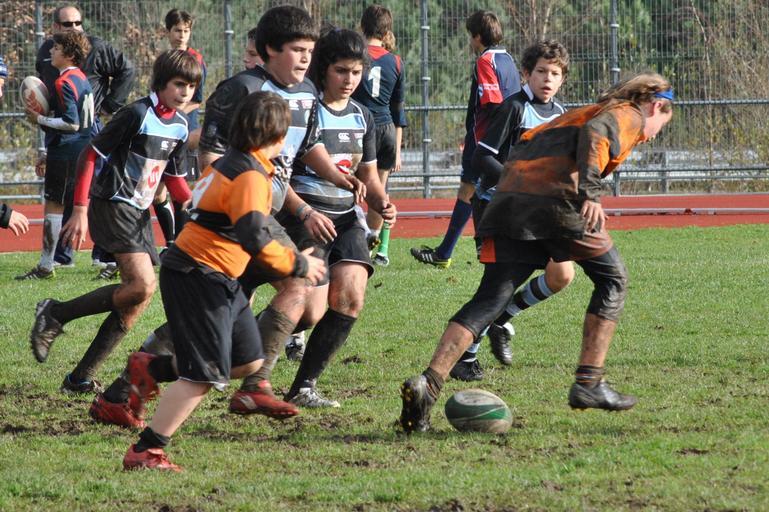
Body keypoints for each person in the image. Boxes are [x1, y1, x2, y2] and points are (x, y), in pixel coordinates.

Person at [399, 73, 675, 433]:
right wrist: (590, 193)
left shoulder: (583, 111)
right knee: (613, 279)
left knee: (491, 297)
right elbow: (597, 134)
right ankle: (589, 382)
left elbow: (528, 143)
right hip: (554, 200)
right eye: (661, 126)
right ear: (656, 106)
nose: (651, 135)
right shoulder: (629, 113)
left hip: (510, 198)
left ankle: (429, 384)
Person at [121, 91, 326, 472]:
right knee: (204, 375)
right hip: (198, 275)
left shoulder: (234, 164)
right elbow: (254, 237)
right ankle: (146, 451)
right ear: (279, 136)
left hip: (217, 275)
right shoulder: (249, 175)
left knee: (247, 360)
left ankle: (152, 369)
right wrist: (298, 263)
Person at [28, 50, 201, 394]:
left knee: (135, 301)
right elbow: (90, 155)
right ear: (160, 83)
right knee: (142, 285)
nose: (185, 92)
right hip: (112, 203)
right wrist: (79, 209)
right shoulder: (136, 114)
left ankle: (79, 378)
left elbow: (175, 179)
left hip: (138, 214)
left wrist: (199, 210)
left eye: (192, 87)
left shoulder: (181, 126)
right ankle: (56, 313)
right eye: (179, 84)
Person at [281, 28, 396, 407]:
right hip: (304, 217)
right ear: (324, 70)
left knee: (350, 298)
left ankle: (303, 387)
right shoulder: (304, 111)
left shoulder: (363, 117)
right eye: (341, 71)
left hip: (345, 219)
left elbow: (369, 176)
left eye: (356, 72)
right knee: (309, 312)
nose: (349, 80)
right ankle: (246, 347)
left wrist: (382, 202)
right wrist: (303, 210)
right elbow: (280, 173)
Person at [450, 40, 570, 381]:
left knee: (561, 273)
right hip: (498, 208)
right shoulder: (514, 108)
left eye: (555, 73)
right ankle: (464, 357)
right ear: (526, 74)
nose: (547, 79)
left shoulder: (560, 114)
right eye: (541, 72)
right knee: (497, 287)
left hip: (535, 209)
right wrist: (519, 182)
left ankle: (502, 320)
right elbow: (483, 157)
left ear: (562, 79)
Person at [410, 10, 519, 269]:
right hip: (505, 140)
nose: (470, 42)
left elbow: (493, 102)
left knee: (470, 191)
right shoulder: (508, 59)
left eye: (471, 36)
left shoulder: (485, 61)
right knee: (483, 191)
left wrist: (482, 140)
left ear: (478, 36)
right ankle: (469, 249)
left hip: (485, 142)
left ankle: (454, 252)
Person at [36, 4, 136, 271]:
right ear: (55, 27)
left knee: (92, 190)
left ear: (70, 55)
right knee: (68, 193)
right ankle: (63, 255)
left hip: (83, 131)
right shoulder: (49, 55)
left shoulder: (93, 53)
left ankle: (102, 252)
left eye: (78, 23)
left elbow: (128, 71)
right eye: (68, 24)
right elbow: (45, 91)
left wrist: (109, 105)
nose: (75, 28)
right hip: (61, 132)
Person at [16, 31, 94, 281]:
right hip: (82, 148)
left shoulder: (63, 82)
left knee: (54, 205)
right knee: (79, 204)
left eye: (56, 47)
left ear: (69, 54)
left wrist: (39, 118)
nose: (50, 51)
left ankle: (46, 265)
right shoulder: (81, 78)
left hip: (67, 149)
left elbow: (71, 123)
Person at [351, 4, 407, 266]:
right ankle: (374, 246)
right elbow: (399, 109)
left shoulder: (354, 56)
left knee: (348, 187)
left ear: (362, 27)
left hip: (358, 127)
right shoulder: (396, 61)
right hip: (386, 131)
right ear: (386, 31)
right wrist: (398, 149)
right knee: (379, 191)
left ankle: (356, 241)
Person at [152, 8, 208, 248]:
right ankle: (170, 242)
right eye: (177, 30)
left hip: (184, 131)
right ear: (168, 32)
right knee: (157, 192)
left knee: (181, 188)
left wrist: (177, 111)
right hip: (161, 131)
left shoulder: (196, 60)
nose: (181, 35)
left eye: (186, 31)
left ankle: (182, 244)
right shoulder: (164, 60)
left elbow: (198, 99)